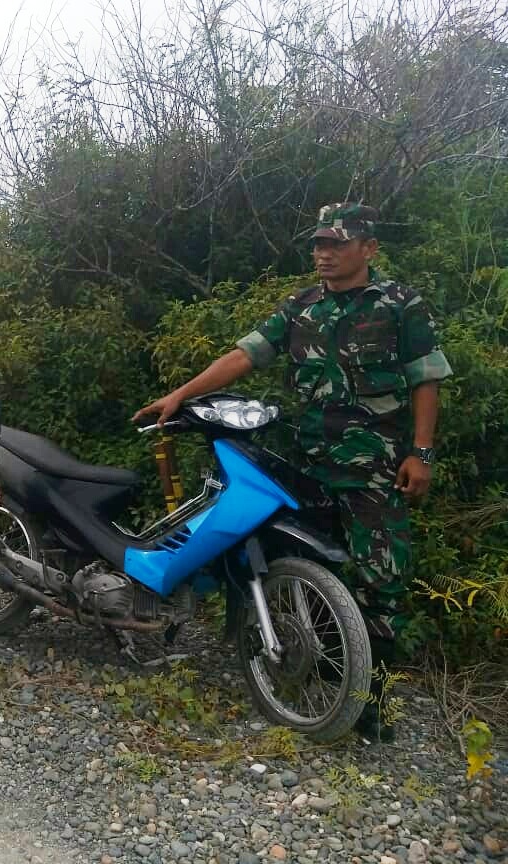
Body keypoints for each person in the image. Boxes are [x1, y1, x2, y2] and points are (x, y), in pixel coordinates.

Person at [134, 202, 451, 741]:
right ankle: (309, 671)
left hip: (375, 471)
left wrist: (421, 453)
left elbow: (426, 380)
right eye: (318, 244)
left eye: (337, 243)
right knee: (292, 562)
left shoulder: (399, 304)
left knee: (382, 582)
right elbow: (245, 356)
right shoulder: (300, 307)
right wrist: (181, 395)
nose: (323, 254)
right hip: (308, 464)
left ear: (368, 248)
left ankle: (372, 705)